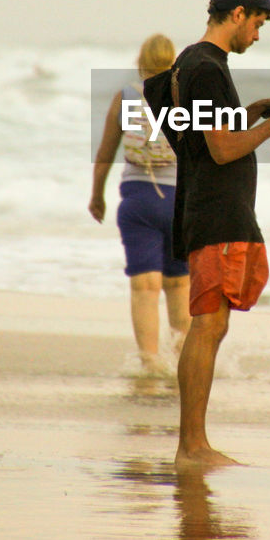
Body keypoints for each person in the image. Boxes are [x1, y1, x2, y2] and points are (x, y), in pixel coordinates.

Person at [157, 0, 270, 469]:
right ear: (238, 13)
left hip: (211, 208)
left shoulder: (195, 64)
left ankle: (193, 445)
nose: (259, 35)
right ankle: (192, 448)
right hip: (216, 211)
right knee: (207, 326)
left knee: (212, 325)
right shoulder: (205, 68)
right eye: (259, 22)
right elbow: (221, 149)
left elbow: (208, 134)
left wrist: (259, 111)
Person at [89, 34, 191, 374]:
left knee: (144, 287)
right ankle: (182, 363)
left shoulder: (127, 97)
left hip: (139, 199)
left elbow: (105, 153)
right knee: (178, 285)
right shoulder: (187, 100)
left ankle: (150, 363)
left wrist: (97, 195)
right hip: (180, 201)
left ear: (140, 61)